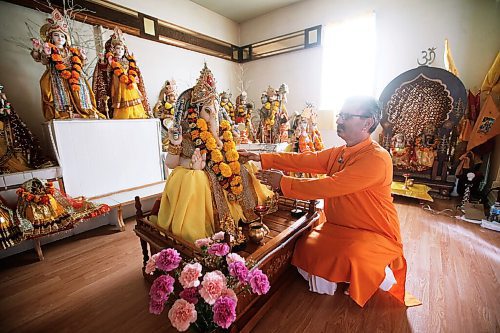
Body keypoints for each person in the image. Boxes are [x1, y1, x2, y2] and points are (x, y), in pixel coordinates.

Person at [239, 96, 408, 307]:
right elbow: (305, 160)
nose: (339, 120)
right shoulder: (340, 152)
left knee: (354, 257)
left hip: (375, 231)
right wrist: (262, 158)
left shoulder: (377, 159)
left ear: (367, 122)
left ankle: (367, 280)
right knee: (308, 248)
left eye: (346, 116)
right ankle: (335, 283)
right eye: (340, 115)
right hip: (338, 227)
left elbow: (331, 185)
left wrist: (283, 183)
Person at [157, 64, 273, 244]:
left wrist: (233, 151)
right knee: (197, 180)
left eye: (216, 110)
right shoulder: (187, 134)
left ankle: (247, 216)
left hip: (223, 172)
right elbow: (171, 163)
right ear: (195, 111)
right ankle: (214, 229)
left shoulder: (221, 132)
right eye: (208, 111)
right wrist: (186, 159)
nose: (214, 116)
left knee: (244, 168)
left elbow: (225, 154)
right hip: (198, 174)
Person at [30, 9, 104, 120]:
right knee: (57, 93)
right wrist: (39, 51)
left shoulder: (72, 51)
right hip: (57, 77)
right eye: (56, 35)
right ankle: (65, 113)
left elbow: (80, 64)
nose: (60, 38)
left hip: (75, 77)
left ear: (66, 39)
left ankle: (84, 111)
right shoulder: (49, 48)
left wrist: (83, 58)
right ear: (51, 37)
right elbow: (43, 60)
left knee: (81, 92)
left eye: (62, 36)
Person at [93, 27, 151, 119]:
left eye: (122, 49)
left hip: (130, 84)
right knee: (120, 99)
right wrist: (101, 61)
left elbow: (134, 71)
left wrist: (136, 66)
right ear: (113, 49)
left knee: (134, 100)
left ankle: (135, 114)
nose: (120, 51)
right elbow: (105, 71)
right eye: (118, 48)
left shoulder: (128, 61)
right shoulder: (111, 60)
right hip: (117, 83)